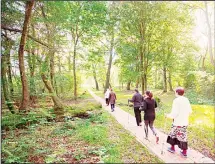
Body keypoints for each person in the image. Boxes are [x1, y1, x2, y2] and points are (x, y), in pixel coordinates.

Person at [165, 87, 192, 158]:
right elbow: (190, 111)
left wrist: (168, 116)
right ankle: (184, 152)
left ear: (177, 93)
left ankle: (172, 148)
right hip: (184, 122)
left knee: (173, 134)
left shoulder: (176, 100)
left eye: (175, 92)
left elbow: (175, 113)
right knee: (183, 136)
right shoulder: (186, 100)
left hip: (177, 122)